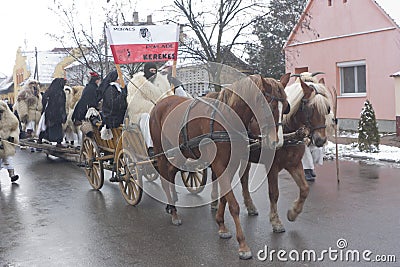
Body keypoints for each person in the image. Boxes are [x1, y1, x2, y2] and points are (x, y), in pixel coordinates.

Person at [38, 78, 67, 148]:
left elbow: (44, 100)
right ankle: (59, 142)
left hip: (49, 113)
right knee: (57, 128)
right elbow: (62, 104)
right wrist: (63, 115)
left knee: (45, 126)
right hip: (57, 113)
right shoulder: (61, 92)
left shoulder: (49, 91)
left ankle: (40, 139)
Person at [0, 100, 20, 182]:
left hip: (6, 143)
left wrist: (12, 137)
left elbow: (15, 129)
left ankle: (12, 174)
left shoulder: (10, 118)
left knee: (8, 159)